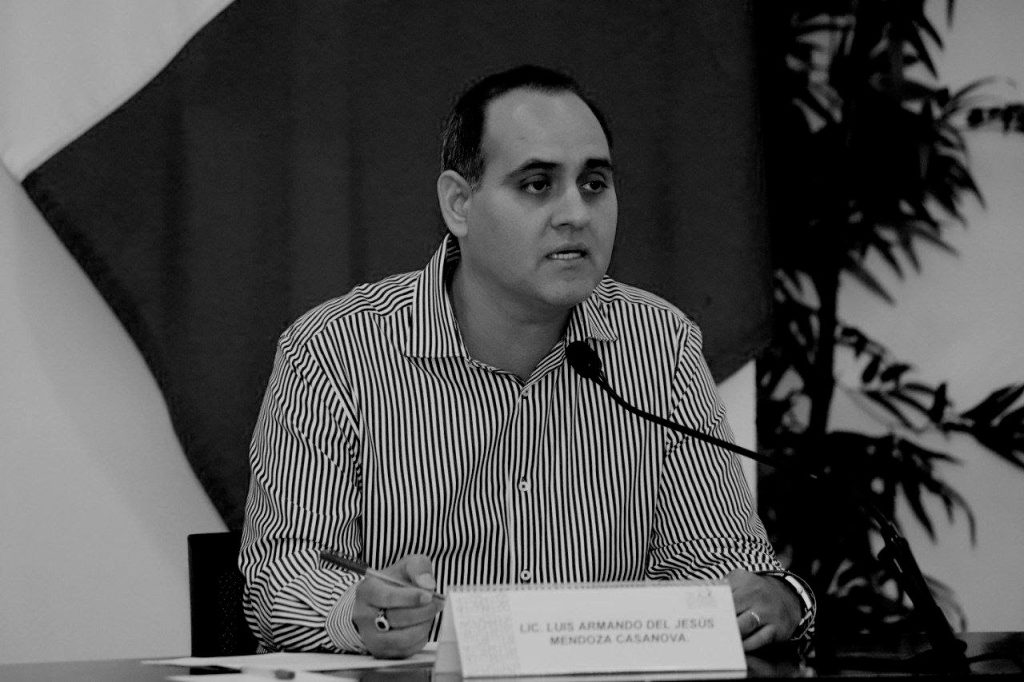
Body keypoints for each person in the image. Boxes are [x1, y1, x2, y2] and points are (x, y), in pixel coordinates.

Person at [240, 64, 815, 660]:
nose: (577, 214)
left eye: (594, 183)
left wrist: (781, 597)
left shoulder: (658, 345)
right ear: (459, 204)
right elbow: (281, 577)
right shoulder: (335, 351)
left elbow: (723, 567)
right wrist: (361, 612)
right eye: (538, 184)